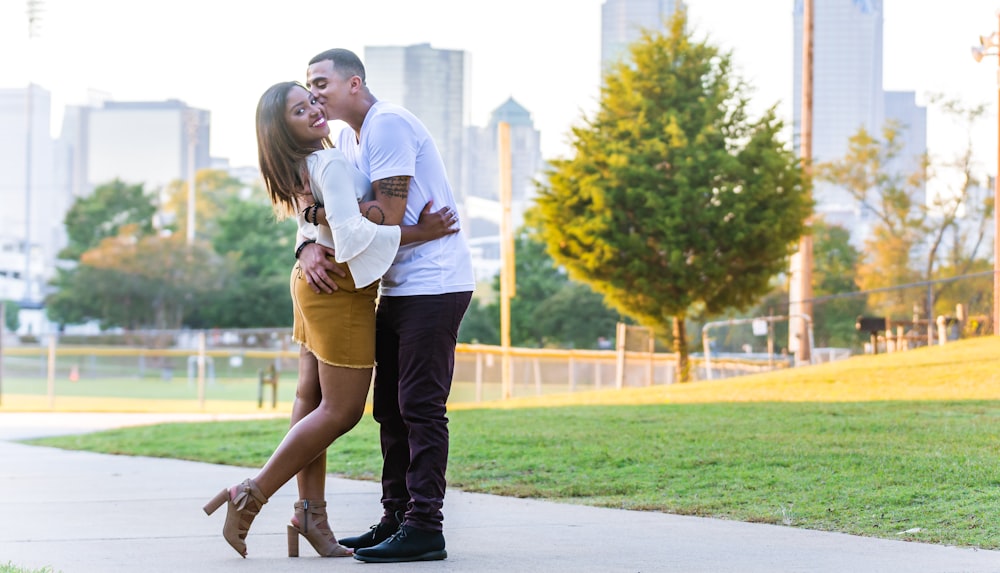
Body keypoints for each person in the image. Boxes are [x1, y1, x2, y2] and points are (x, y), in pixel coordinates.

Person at [202, 81, 459, 559]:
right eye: (301, 110)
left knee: (311, 399)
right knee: (341, 412)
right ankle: (251, 494)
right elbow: (352, 235)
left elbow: (318, 219)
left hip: (312, 285)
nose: (314, 110)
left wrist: (308, 237)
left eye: (313, 100)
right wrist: (421, 231)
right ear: (286, 130)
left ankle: (310, 516)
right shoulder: (332, 161)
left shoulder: (316, 159)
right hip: (337, 291)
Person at [297, 48, 475, 563]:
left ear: (354, 82)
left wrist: (333, 217)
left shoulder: (388, 125)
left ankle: (426, 527)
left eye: (321, 82)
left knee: (420, 407)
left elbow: (384, 214)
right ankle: (396, 517)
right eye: (309, 86)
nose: (314, 94)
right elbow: (346, 221)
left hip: (434, 282)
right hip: (397, 284)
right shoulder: (350, 138)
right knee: (390, 410)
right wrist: (310, 237)